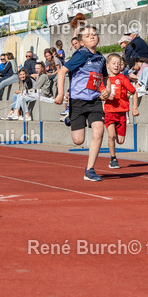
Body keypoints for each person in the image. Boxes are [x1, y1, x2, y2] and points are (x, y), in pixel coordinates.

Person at [53, 26, 107, 182]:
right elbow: (62, 72)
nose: (92, 37)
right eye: (88, 35)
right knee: (78, 141)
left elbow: (104, 78)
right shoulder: (80, 55)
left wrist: (106, 90)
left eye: (94, 35)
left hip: (94, 100)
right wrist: (61, 93)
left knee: (99, 131)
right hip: (77, 101)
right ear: (82, 41)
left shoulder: (101, 58)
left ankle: (90, 169)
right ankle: (70, 118)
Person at [101, 53, 138, 169]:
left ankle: (117, 136)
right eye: (114, 63)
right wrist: (106, 97)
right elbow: (99, 95)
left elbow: (134, 91)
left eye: (119, 63)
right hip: (109, 111)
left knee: (120, 141)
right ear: (107, 65)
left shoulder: (122, 78)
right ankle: (113, 159)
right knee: (111, 136)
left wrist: (134, 108)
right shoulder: (104, 79)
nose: (116, 66)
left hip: (122, 112)